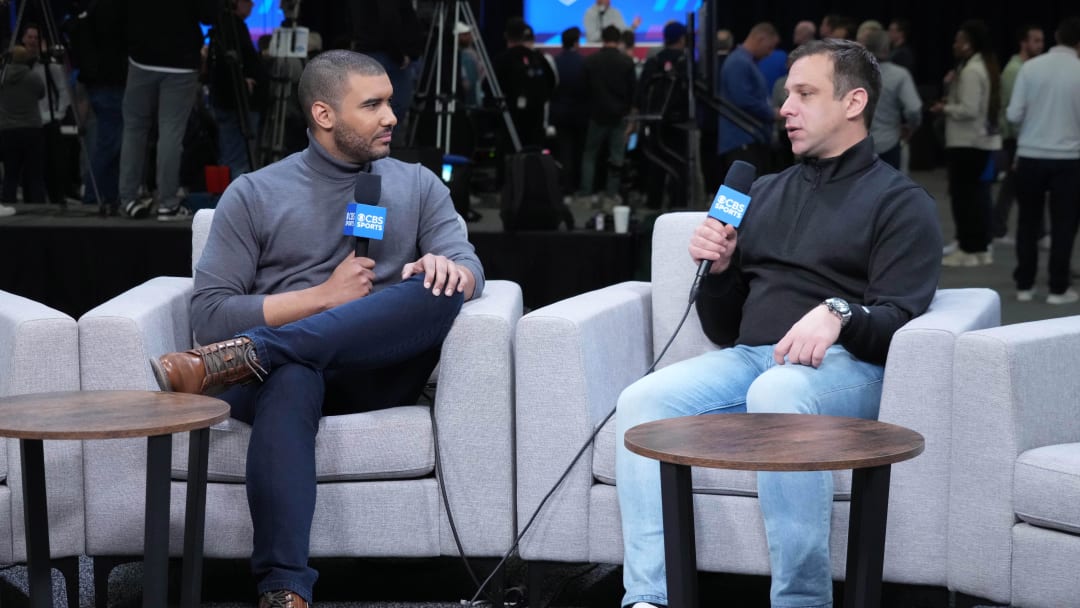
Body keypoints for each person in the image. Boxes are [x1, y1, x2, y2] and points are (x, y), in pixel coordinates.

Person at [148, 50, 484, 608]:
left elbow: (469, 264)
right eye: (372, 105)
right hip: (280, 381)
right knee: (294, 374)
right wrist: (320, 298)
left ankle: (241, 357)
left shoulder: (418, 184)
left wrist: (453, 269)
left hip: (374, 369)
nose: (391, 118)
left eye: (390, 104)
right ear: (324, 115)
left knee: (434, 289)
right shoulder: (255, 193)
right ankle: (284, 589)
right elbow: (208, 315)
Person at [616, 38, 941, 608]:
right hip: (751, 358)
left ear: (854, 102)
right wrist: (718, 270)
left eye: (805, 94)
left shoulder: (900, 201)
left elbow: (898, 320)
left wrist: (839, 312)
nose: (785, 107)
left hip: (845, 370)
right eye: (786, 94)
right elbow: (723, 327)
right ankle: (650, 598)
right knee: (642, 402)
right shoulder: (762, 191)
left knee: (779, 389)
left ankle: (801, 601)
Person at [119, 0, 216, 220]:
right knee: (171, 132)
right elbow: (209, 14)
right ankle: (167, 203)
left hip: (141, 58)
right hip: (180, 61)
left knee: (135, 129)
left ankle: (128, 199)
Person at [1006, 17, 1080, 304]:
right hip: (1070, 159)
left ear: (1056, 36)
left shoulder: (1030, 68)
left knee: (1027, 222)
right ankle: (1058, 289)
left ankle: (1025, 285)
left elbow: (1013, 115)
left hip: (1030, 156)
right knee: (1064, 225)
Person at [930, 19, 1002, 268]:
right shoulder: (975, 66)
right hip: (974, 142)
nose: (955, 44)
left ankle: (970, 250)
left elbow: (969, 109)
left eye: (959, 40)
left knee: (965, 198)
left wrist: (944, 107)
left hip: (967, 142)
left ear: (969, 44)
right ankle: (977, 247)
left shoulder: (972, 71)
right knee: (971, 196)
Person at [992, 24, 1044, 242]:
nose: (1040, 45)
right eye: (1035, 40)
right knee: (1017, 185)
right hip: (1016, 137)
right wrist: (1020, 140)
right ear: (1023, 42)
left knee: (1015, 186)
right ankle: (998, 228)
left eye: (1041, 40)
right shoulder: (1016, 70)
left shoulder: (1030, 68)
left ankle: (999, 227)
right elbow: (1014, 110)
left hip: (1023, 136)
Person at [207, 0, 268, 180]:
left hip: (234, 102)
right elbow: (226, 64)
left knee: (234, 155)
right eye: (248, 1)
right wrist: (242, 81)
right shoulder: (229, 27)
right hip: (236, 104)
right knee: (237, 158)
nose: (252, 5)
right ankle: (234, 203)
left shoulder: (228, 26)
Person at [579, 25, 636, 205]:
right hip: (619, 117)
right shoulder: (627, 62)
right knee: (616, 156)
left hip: (596, 116)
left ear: (602, 39)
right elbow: (633, 93)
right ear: (619, 40)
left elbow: (584, 90)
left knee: (590, 155)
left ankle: (586, 192)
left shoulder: (590, 61)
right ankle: (611, 194)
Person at [717, 22, 778, 176]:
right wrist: (772, 113)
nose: (770, 53)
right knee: (737, 193)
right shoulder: (739, 62)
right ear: (761, 39)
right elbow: (743, 99)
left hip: (748, 137)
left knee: (748, 193)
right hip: (742, 138)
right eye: (770, 47)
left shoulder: (745, 62)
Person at [862, 29, 921, 170]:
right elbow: (914, 109)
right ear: (887, 48)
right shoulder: (900, 75)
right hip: (889, 144)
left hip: (857, 146)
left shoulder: (852, 74)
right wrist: (911, 128)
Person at [0, 45, 46, 213]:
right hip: (31, 128)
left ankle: (7, 204)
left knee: (11, 173)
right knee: (35, 172)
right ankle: (39, 207)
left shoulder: (2, 77)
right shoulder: (32, 77)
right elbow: (41, 94)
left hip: (7, 129)